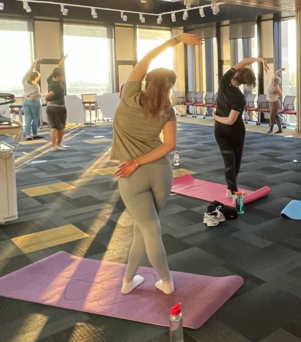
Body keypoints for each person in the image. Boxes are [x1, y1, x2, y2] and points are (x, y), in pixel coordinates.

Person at [112, 33, 204, 295]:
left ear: (146, 81)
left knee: (149, 228)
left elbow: (147, 58)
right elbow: (168, 146)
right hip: (161, 172)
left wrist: (175, 40)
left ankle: (165, 281)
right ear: (170, 87)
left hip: (131, 175)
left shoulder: (129, 95)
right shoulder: (168, 109)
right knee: (146, 227)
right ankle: (128, 280)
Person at [212, 57, 269, 197]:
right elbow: (231, 121)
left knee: (228, 160)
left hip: (219, 130)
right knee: (235, 160)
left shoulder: (224, 81)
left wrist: (259, 59)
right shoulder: (239, 97)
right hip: (235, 131)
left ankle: (230, 190)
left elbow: (243, 61)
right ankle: (232, 190)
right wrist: (217, 117)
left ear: (237, 74)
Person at [45, 54, 69, 151]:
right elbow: (50, 94)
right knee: (61, 127)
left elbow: (58, 67)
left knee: (53, 127)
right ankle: (58, 144)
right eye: (62, 76)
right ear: (57, 76)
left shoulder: (50, 79)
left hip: (50, 108)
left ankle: (54, 146)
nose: (63, 77)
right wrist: (46, 99)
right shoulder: (57, 86)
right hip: (58, 107)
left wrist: (63, 59)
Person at [22, 58, 43, 141]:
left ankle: (28, 135)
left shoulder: (24, 81)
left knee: (28, 119)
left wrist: (34, 64)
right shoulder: (35, 86)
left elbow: (29, 71)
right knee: (35, 119)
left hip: (26, 102)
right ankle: (35, 134)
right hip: (34, 103)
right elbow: (36, 96)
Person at [267, 68, 285, 134]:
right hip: (271, 102)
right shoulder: (272, 83)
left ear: (276, 82)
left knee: (272, 115)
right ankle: (280, 129)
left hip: (275, 103)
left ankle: (271, 129)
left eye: (273, 80)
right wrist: (281, 70)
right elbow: (276, 73)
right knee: (276, 116)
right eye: (272, 80)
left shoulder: (276, 88)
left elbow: (281, 95)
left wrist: (276, 97)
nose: (272, 80)